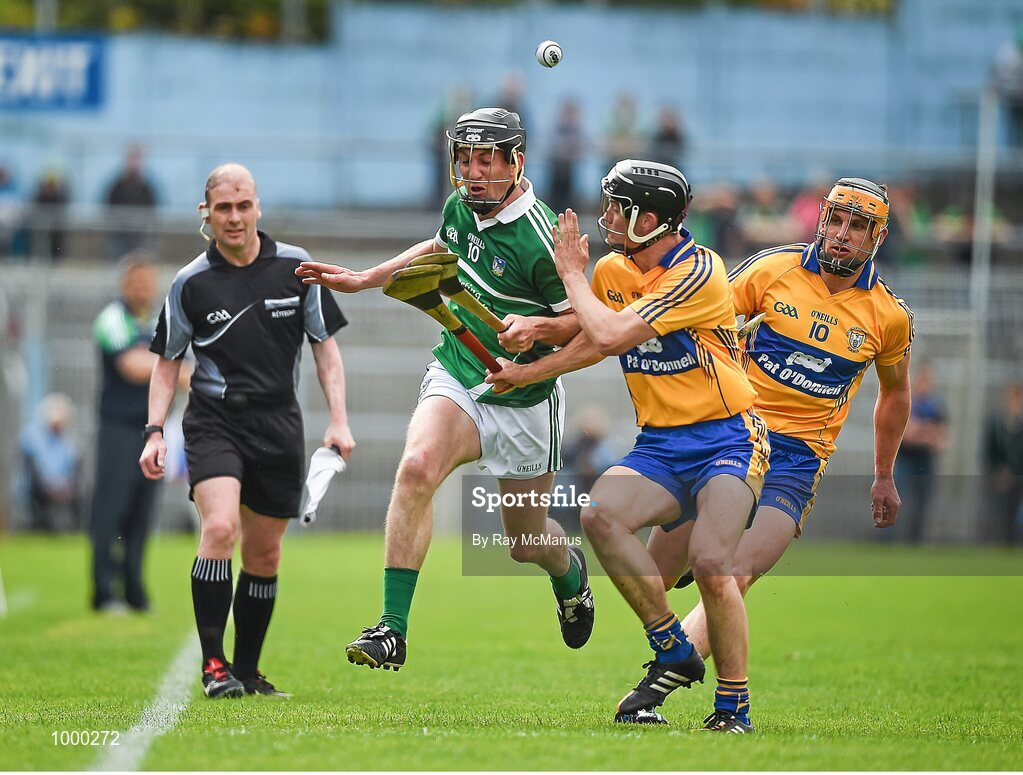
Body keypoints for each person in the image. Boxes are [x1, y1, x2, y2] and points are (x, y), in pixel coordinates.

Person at [296, 107, 593, 673]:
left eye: (485, 160)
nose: (473, 171)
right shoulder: (462, 204)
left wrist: (538, 331)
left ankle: (570, 571)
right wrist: (364, 279)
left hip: (527, 399)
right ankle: (392, 629)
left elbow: (584, 326)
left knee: (525, 544)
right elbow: (438, 248)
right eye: (464, 159)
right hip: (461, 373)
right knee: (416, 469)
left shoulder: (544, 239)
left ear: (517, 163)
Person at [487, 160, 769, 733]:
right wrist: (535, 338)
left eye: (619, 207)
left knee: (713, 564)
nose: (608, 215)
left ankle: (733, 707)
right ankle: (670, 646)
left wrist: (569, 275)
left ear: (651, 218)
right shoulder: (616, 269)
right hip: (662, 445)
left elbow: (613, 334)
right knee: (599, 516)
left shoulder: (698, 271)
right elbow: (592, 336)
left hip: (728, 439)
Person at [646, 178, 914, 694]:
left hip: (797, 459)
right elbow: (706, 313)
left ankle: (664, 676)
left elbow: (895, 395)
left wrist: (884, 475)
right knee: (649, 581)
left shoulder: (890, 317)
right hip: (731, 435)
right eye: (835, 220)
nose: (841, 234)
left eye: (857, 227)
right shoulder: (773, 268)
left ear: (877, 237)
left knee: (737, 571)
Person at [140, 163, 355, 699]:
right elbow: (167, 361)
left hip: (279, 423)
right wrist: (154, 432)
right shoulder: (190, 282)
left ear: (257, 207)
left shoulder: (297, 267)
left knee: (265, 556)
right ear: (205, 214)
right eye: (223, 209)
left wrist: (339, 419)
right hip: (215, 420)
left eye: (243, 206)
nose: (234, 218)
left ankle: (248, 671)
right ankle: (214, 666)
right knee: (218, 530)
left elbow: (325, 349)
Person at [89, 252, 165, 613]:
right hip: (118, 429)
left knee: (142, 512)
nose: (143, 288)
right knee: (111, 509)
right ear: (125, 284)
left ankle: (134, 590)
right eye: (137, 281)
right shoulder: (112, 319)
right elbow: (132, 366)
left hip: (152, 431)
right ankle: (104, 591)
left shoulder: (156, 319)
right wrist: (177, 371)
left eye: (148, 281)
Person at [893, 361, 947, 543]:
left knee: (922, 503)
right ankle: (890, 539)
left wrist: (919, 430)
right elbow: (906, 435)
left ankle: (915, 541)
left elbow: (941, 440)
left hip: (926, 461)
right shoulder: (909, 402)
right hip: (906, 459)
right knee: (898, 499)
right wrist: (928, 432)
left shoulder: (936, 406)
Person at [20, 393, 82, 531]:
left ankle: (75, 528)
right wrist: (50, 485)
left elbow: (75, 468)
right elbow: (34, 470)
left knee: (80, 491)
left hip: (65, 484)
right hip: (41, 486)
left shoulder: (70, 441)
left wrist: (67, 485)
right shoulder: (32, 438)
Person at [984, 381, 1023, 544]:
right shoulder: (997, 421)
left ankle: (1014, 543)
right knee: (999, 513)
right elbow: (990, 448)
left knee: (1015, 513)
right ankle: (998, 542)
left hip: (1019, 476)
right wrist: (998, 470)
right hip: (1000, 478)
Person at [105, 145, 158, 258]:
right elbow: (109, 205)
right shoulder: (117, 186)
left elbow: (152, 208)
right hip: (121, 232)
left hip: (140, 232)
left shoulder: (146, 187)